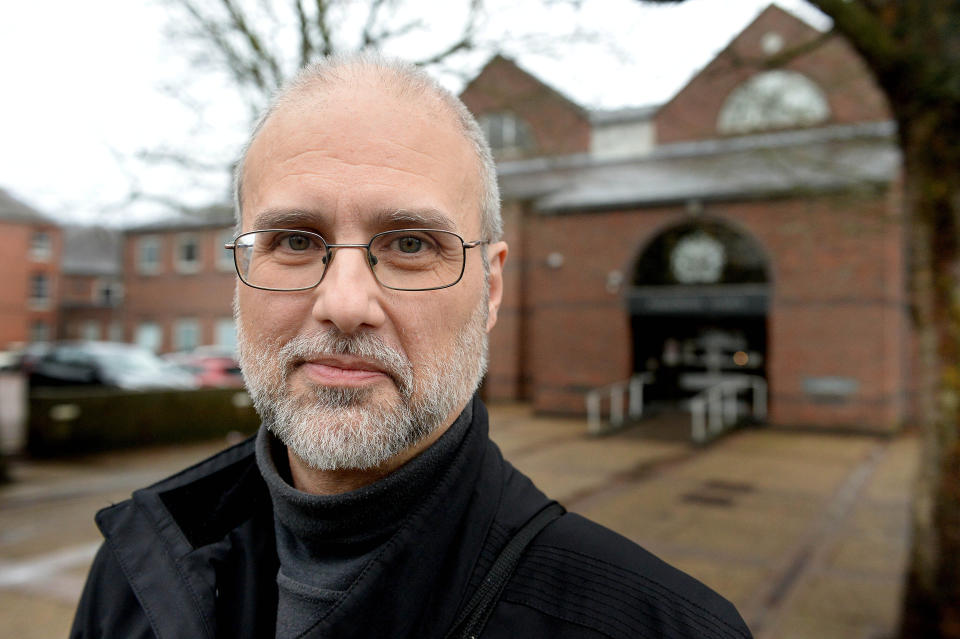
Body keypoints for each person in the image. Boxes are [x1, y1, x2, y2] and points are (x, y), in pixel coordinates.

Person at [71, 54, 752, 639]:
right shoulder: (136, 570)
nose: (343, 303)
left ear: (490, 288)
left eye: (409, 244)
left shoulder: (657, 625)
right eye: (296, 241)